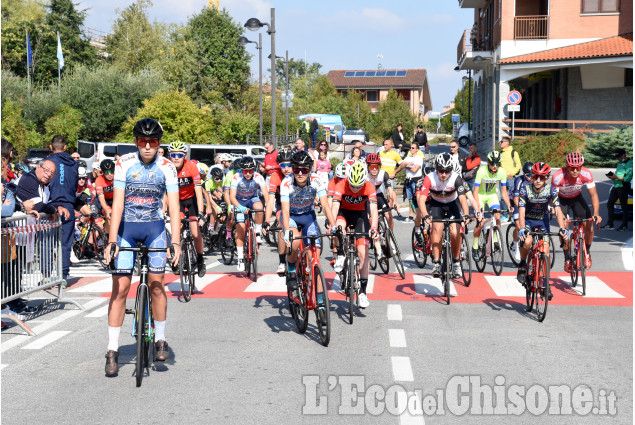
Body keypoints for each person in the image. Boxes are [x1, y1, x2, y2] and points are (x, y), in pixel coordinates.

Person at [103, 117, 181, 377]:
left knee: (158, 286)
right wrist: (112, 241)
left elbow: (174, 207)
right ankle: (113, 349)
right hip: (126, 230)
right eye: (142, 142)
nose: (148, 147)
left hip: (155, 230)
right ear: (136, 142)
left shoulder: (168, 167)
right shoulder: (123, 164)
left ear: (159, 143)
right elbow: (117, 206)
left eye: (153, 142)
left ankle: (160, 338)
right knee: (121, 288)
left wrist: (176, 242)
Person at [282, 151, 337, 294]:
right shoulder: (286, 182)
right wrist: (287, 230)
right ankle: (292, 270)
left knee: (314, 259)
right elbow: (285, 210)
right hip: (292, 216)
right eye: (296, 169)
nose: (300, 173)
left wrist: (334, 226)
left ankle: (320, 301)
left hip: (308, 217)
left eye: (304, 169)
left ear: (310, 169)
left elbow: (325, 204)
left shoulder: (316, 180)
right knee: (293, 242)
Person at [331, 161, 379, 309]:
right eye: (352, 185)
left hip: (360, 216)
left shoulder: (369, 186)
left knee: (363, 253)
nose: (355, 189)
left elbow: (373, 210)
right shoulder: (341, 185)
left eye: (359, 186)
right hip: (343, 213)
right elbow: (335, 207)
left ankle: (363, 293)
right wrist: (332, 225)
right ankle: (340, 254)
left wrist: (374, 227)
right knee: (338, 228)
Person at [516, 162, 568, 295]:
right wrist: (522, 228)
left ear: (547, 178)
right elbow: (521, 211)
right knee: (527, 242)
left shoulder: (551, 190)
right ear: (532, 176)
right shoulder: (525, 189)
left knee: (546, 251)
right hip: (528, 220)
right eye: (535, 176)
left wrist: (562, 228)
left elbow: (557, 210)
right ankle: (522, 264)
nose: (538, 180)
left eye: (542, 177)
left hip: (542, 221)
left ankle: (545, 282)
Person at [416, 153, 470, 278]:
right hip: (437, 205)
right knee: (437, 228)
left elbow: (463, 199)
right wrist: (425, 215)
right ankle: (436, 262)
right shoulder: (429, 178)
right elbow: (421, 200)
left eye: (447, 171)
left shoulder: (456, 178)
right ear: (436, 168)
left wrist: (466, 215)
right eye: (441, 171)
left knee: (455, 232)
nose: (444, 174)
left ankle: (456, 262)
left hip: (453, 204)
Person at [551, 152, 602, 271]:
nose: (575, 171)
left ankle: (587, 252)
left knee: (589, 227)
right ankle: (567, 257)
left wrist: (596, 214)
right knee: (564, 227)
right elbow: (553, 199)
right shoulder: (558, 176)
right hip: (561, 200)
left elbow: (593, 195)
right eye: (572, 168)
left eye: (578, 168)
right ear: (567, 166)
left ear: (581, 167)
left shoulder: (586, 174)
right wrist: (559, 214)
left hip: (576, 198)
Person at [168, 140, 207, 277]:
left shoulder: (191, 167)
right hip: (176, 200)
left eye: (179, 155)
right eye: (173, 155)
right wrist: (163, 209)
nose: (176, 158)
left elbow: (198, 190)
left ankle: (200, 259)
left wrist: (201, 213)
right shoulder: (168, 168)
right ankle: (176, 258)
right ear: (170, 156)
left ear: (184, 156)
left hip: (191, 200)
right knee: (176, 228)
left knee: (196, 233)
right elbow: (164, 192)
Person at [45, 136, 78, 280]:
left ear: (51, 147)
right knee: (66, 243)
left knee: (47, 241)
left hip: (51, 205)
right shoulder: (74, 163)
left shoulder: (48, 162)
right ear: (65, 148)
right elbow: (75, 185)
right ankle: (63, 276)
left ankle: (46, 276)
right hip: (69, 205)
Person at [229, 156, 267, 272]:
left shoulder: (258, 177)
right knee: (241, 229)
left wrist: (267, 207)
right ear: (241, 170)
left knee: (259, 208)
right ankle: (240, 257)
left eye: (250, 170)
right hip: (239, 201)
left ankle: (258, 231)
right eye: (245, 171)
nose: (248, 174)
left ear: (254, 169)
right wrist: (240, 207)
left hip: (252, 199)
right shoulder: (236, 177)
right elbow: (231, 196)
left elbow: (265, 193)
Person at [471, 151, 511, 258]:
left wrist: (508, 205)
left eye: (497, 163)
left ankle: (496, 241)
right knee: (481, 222)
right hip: (480, 195)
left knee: (498, 216)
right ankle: (475, 246)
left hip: (492, 195)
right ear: (488, 162)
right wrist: (478, 208)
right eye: (492, 163)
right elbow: (475, 192)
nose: (495, 166)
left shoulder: (502, 172)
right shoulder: (482, 171)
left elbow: (504, 192)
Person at [263, 149, 294, 275]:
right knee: (283, 225)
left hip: (297, 205)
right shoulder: (275, 176)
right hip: (281, 204)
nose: (286, 168)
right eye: (283, 165)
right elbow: (270, 201)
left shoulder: (299, 173)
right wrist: (266, 221)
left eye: (289, 165)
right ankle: (282, 261)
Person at [391, 142, 424, 223]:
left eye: (413, 148)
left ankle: (420, 214)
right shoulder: (407, 158)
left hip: (416, 180)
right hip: (408, 180)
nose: (411, 149)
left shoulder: (419, 158)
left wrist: (406, 165)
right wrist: (406, 164)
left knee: (418, 199)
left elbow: (414, 170)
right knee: (410, 199)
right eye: (411, 148)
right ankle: (411, 215)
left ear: (417, 150)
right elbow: (401, 166)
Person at [509, 162, 535, 262]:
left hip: (528, 199)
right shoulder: (519, 180)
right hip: (516, 200)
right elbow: (516, 199)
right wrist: (522, 209)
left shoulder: (536, 180)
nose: (531, 177)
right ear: (524, 174)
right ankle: (515, 245)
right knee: (519, 226)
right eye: (528, 175)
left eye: (533, 175)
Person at [603, 148, 633, 231]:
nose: (618, 159)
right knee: (610, 204)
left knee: (624, 206)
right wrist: (612, 177)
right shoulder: (619, 164)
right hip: (616, 186)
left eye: (619, 157)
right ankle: (610, 224)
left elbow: (627, 178)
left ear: (624, 155)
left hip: (623, 187)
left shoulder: (630, 164)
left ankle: (624, 225)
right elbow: (618, 174)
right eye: (617, 157)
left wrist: (616, 177)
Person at [379, 139, 402, 213]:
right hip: (382, 176)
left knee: (390, 195)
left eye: (386, 144)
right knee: (381, 195)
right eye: (384, 144)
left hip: (390, 177)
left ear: (390, 145)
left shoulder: (395, 154)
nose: (384, 146)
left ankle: (389, 210)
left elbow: (402, 165)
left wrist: (395, 172)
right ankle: (381, 211)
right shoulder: (381, 153)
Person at [500, 136, 521, 210]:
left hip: (510, 178)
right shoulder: (500, 153)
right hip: (502, 178)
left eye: (502, 142)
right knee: (503, 197)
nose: (500, 143)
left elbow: (518, 165)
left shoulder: (513, 153)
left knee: (512, 196)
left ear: (507, 143)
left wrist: (512, 173)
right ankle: (505, 214)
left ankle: (514, 213)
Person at [95, 159, 115, 234]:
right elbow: (101, 199)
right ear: (103, 172)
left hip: (113, 199)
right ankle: (108, 236)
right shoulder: (99, 180)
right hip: (104, 200)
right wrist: (107, 210)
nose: (110, 174)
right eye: (107, 172)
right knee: (109, 214)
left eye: (111, 171)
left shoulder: (117, 178)